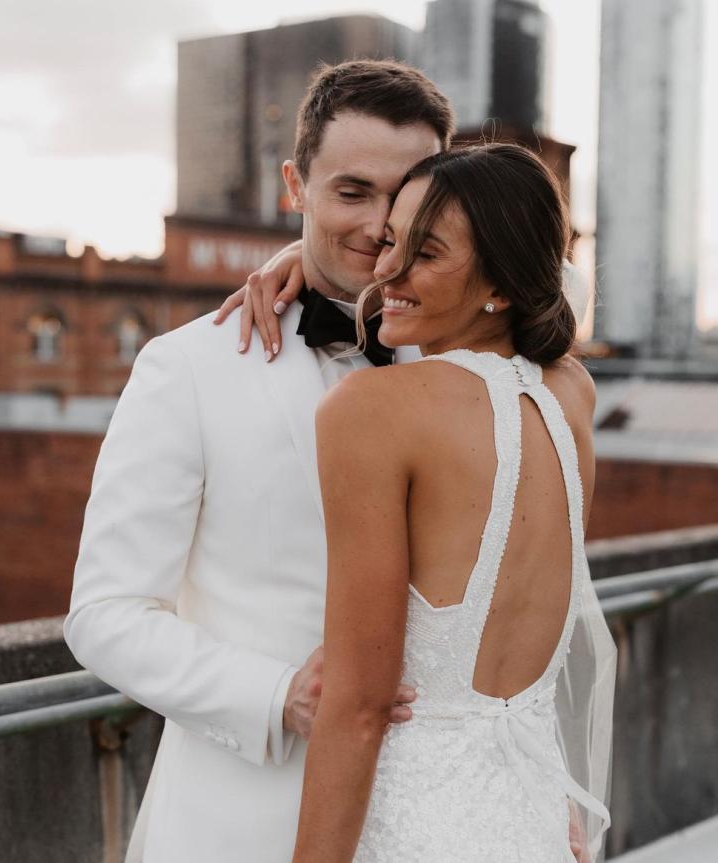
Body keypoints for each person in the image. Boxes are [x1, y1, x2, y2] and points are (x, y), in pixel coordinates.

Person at [63, 60, 454, 863]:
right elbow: (104, 614)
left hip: (436, 815)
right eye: (352, 192)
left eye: (406, 193)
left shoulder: (469, 364)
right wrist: (280, 696)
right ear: (294, 186)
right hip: (239, 823)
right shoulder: (188, 368)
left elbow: (556, 282)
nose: (383, 225)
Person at [248, 144, 616, 862]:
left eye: (425, 252)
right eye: (391, 241)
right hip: (533, 820)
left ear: (500, 286)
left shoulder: (374, 409)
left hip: (416, 829)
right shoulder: (571, 392)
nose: (387, 268)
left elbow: (358, 705)